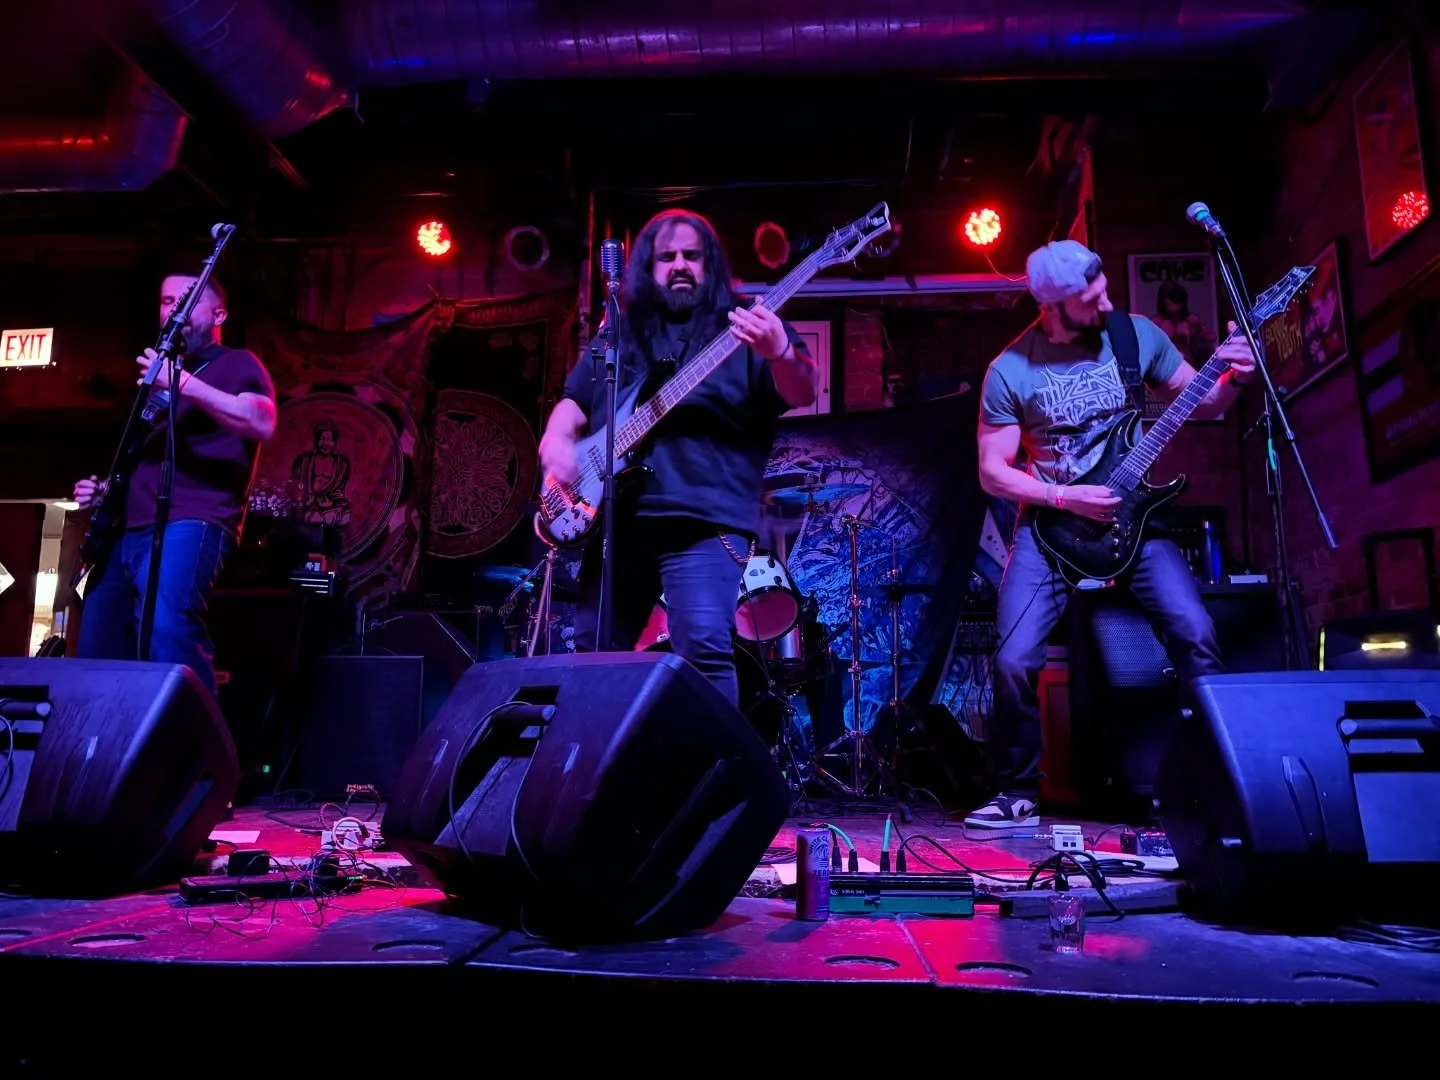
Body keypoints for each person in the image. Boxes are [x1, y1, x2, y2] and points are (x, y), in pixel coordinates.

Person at [968, 239, 1256, 828]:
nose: (1106, 304)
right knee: (1014, 659)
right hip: (1051, 530)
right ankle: (1017, 789)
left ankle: (1221, 771)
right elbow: (992, 472)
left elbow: (1204, 403)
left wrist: (1233, 376)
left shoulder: (1135, 335)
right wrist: (1064, 495)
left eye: (1104, 292)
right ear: (1050, 306)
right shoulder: (1011, 370)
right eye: (1089, 300)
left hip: (1135, 518)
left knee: (1195, 630)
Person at [537, 209, 817, 708]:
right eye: (667, 257)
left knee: (704, 651)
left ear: (710, 263)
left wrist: (778, 352)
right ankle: (598, 775)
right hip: (618, 522)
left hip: (703, 523)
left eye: (691, 255)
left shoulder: (745, 323)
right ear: (649, 265)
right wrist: (556, 440)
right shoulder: (622, 330)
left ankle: (711, 780)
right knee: (592, 651)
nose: (680, 265)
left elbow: (800, 390)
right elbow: (575, 400)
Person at [72, 274, 277, 699]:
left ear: (219, 314)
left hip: (193, 519)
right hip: (127, 532)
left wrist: (181, 382)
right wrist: (105, 489)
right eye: (167, 301)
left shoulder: (236, 363)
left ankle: (200, 760)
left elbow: (261, 421)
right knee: (97, 643)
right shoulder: (159, 380)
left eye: (187, 300)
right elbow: (146, 457)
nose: (174, 310)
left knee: (169, 633)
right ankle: (112, 755)